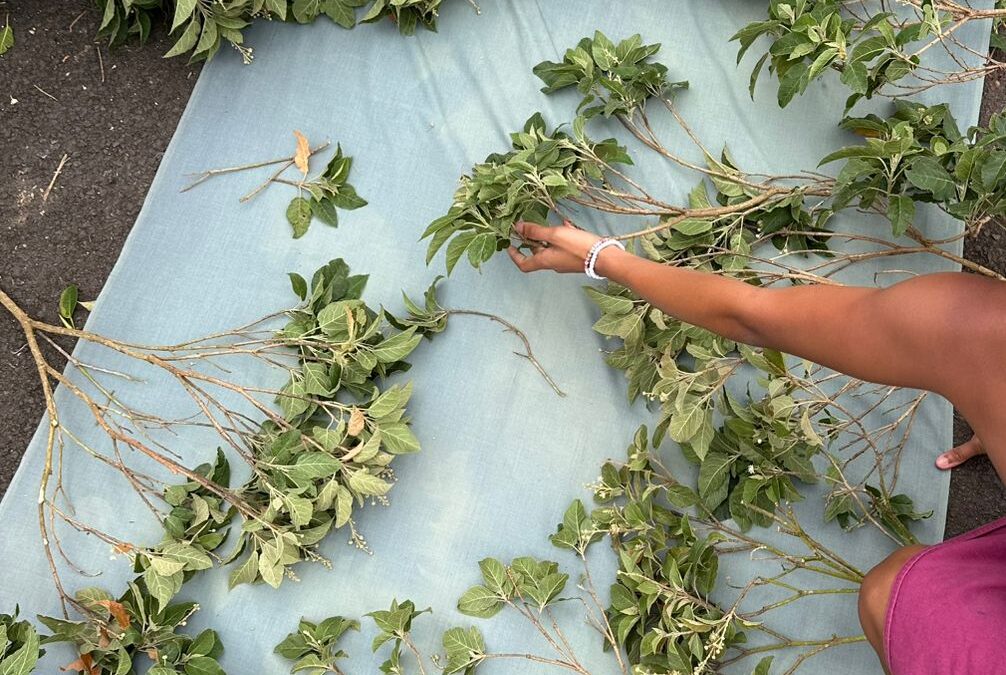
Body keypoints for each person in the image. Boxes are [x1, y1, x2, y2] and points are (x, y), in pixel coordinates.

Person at [507, 220, 1006, 675]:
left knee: (895, 596)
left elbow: (752, 316)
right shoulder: (978, 338)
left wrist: (604, 257)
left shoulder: (975, 330)